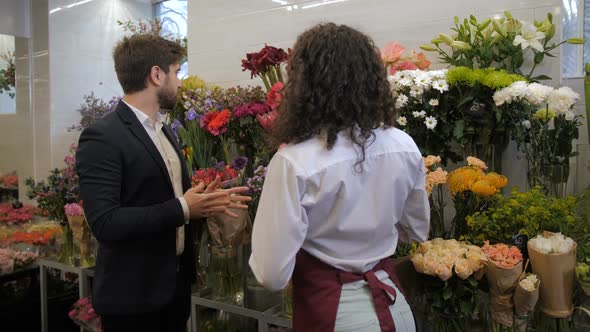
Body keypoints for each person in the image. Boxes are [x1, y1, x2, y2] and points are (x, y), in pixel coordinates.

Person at [249, 23, 430, 332]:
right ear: (372, 78)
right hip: (395, 307)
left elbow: (271, 274)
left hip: (333, 313)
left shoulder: (294, 162)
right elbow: (417, 230)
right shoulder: (404, 145)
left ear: (304, 85)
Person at [76, 34, 250, 332]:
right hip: (133, 298)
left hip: (173, 292)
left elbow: (164, 197)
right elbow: (105, 221)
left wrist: (202, 201)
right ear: (156, 75)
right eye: (176, 72)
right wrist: (183, 207)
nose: (179, 82)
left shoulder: (165, 131)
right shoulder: (102, 136)